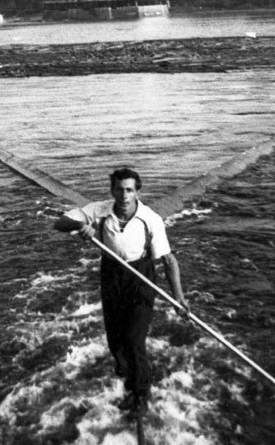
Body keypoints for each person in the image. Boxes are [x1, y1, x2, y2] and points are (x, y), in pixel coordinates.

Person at [54, 167, 189, 417]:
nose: (124, 195)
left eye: (129, 190)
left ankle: (141, 394)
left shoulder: (151, 219)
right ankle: (127, 376)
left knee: (133, 338)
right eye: (119, 189)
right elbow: (59, 223)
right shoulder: (99, 210)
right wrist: (83, 225)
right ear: (112, 190)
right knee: (115, 339)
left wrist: (178, 298)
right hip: (112, 274)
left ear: (138, 191)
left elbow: (169, 261)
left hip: (141, 277)